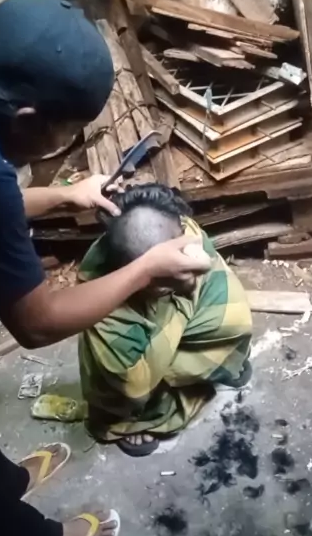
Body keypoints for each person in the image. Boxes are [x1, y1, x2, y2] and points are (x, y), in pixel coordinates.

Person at [0, 0, 210, 536]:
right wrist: (145, 268)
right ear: (27, 119)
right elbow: (37, 323)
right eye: (69, 133)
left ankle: (4, 479)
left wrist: (63, 195)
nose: (69, 143)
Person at [78, 183, 253, 457]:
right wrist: (181, 299)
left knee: (231, 321)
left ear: (180, 230)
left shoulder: (186, 234)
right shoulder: (102, 306)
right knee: (122, 392)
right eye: (161, 275)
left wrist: (185, 286)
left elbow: (205, 274)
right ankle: (147, 414)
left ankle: (223, 358)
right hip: (147, 356)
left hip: (191, 323)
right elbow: (134, 386)